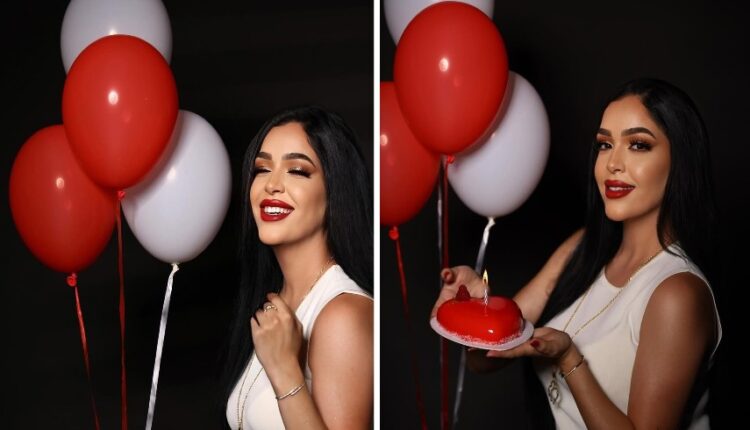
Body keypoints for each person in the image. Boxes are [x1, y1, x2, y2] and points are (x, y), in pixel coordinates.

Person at [433, 78, 721, 429]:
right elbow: (486, 359)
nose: (613, 163)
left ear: (680, 161)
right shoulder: (583, 247)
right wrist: (474, 312)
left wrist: (570, 358)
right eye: (605, 145)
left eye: (638, 145)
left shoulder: (677, 293)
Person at [221, 106, 373, 429]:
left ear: (335, 191)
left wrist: (284, 370)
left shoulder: (342, 316)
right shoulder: (273, 302)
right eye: (262, 169)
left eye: (297, 171)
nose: (272, 185)